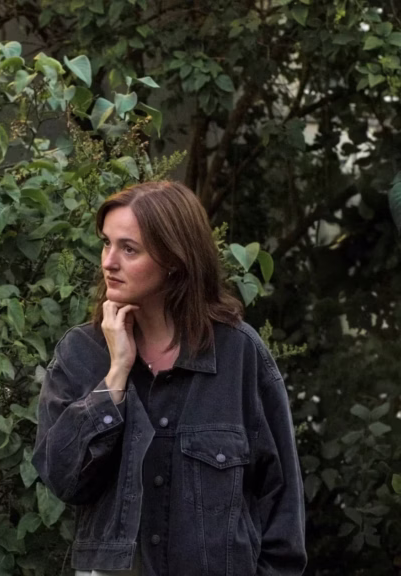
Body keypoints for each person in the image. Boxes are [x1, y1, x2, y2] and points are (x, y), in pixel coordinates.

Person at [32, 181, 306, 575]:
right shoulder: (82, 353)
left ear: (174, 259)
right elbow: (63, 479)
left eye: (129, 249)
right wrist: (116, 374)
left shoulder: (238, 354)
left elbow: (281, 501)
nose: (109, 262)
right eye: (107, 243)